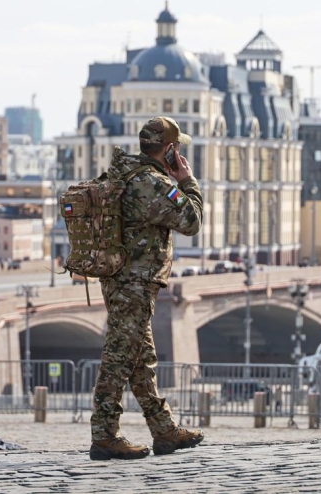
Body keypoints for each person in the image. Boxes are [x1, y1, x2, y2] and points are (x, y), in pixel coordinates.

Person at [89, 117, 204, 461]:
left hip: (118, 279)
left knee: (140, 360)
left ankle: (164, 430)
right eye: (178, 148)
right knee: (120, 357)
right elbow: (192, 221)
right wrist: (187, 181)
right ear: (169, 150)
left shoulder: (122, 173)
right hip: (135, 283)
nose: (180, 153)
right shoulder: (153, 184)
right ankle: (105, 435)